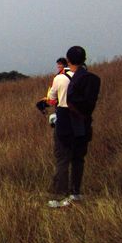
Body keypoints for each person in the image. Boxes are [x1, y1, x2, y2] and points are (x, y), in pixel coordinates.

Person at [48, 46, 101, 208]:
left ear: (67, 60)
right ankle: (75, 193)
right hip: (83, 121)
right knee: (78, 159)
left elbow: (52, 98)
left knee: (63, 158)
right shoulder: (90, 78)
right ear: (84, 59)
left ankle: (58, 196)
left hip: (65, 119)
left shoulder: (60, 78)